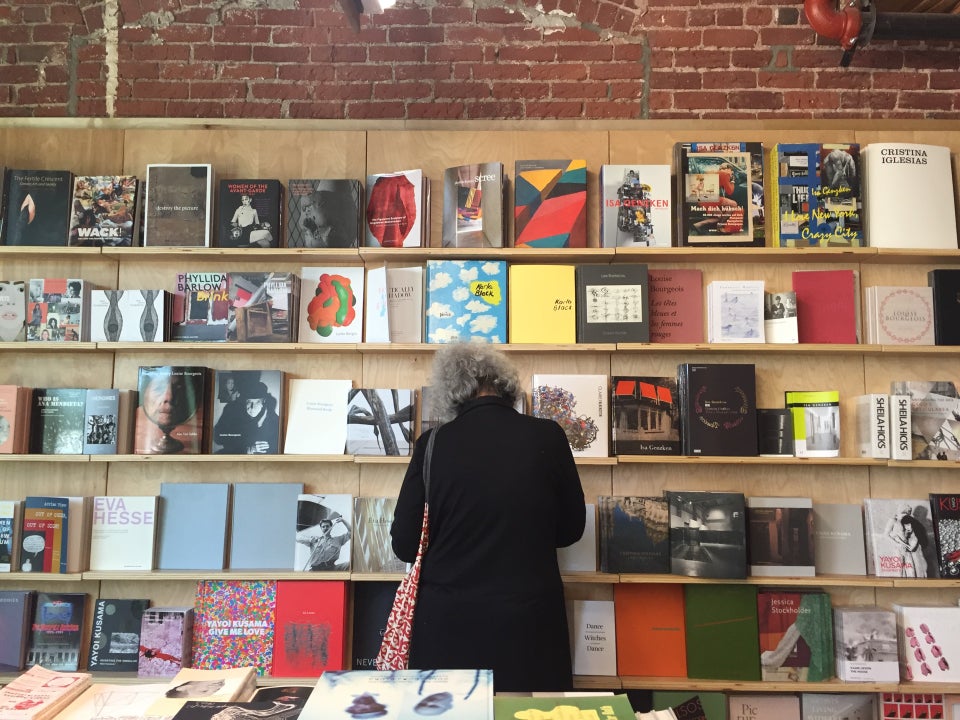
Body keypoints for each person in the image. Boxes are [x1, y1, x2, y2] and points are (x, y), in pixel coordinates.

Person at [390, 343, 586, 692]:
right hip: (529, 624)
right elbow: (572, 529)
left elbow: (405, 545)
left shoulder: (432, 444)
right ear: (505, 385)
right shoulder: (548, 435)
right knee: (529, 713)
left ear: (451, 391)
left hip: (448, 625)